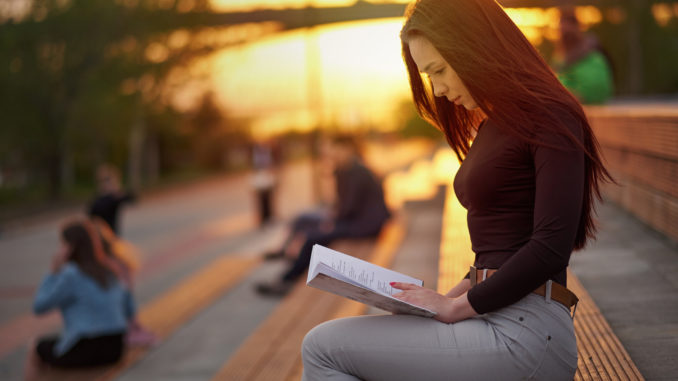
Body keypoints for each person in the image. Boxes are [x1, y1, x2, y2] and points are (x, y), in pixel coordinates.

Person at [301, 1, 612, 380]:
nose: (439, 89)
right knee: (336, 345)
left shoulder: (549, 114)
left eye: (439, 70)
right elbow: (496, 253)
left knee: (322, 348)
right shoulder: (494, 125)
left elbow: (550, 248)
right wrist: (438, 301)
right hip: (497, 315)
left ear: (474, 48)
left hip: (528, 333)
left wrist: (457, 308)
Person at [256, 135, 391, 296]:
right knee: (303, 220)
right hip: (357, 220)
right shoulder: (347, 169)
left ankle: (287, 280)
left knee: (312, 238)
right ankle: (288, 257)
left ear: (349, 150)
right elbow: (344, 205)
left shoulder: (357, 172)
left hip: (364, 225)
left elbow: (349, 208)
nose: (333, 155)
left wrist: (331, 221)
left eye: (336, 151)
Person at [24, 220, 135, 380]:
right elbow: (129, 309)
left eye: (62, 244)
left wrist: (53, 273)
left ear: (70, 247)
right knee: (57, 349)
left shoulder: (71, 274)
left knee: (35, 347)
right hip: (116, 347)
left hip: (86, 348)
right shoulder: (110, 270)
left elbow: (39, 306)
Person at [554, 6, 614, 104]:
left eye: (567, 32)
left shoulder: (593, 59)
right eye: (561, 31)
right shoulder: (559, 58)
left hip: (587, 112)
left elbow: (596, 92)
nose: (564, 36)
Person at [88, 164, 135, 235]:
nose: (105, 184)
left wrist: (117, 190)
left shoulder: (114, 197)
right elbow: (91, 214)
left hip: (111, 234)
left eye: (107, 181)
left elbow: (131, 198)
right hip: (98, 234)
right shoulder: (97, 198)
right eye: (103, 181)